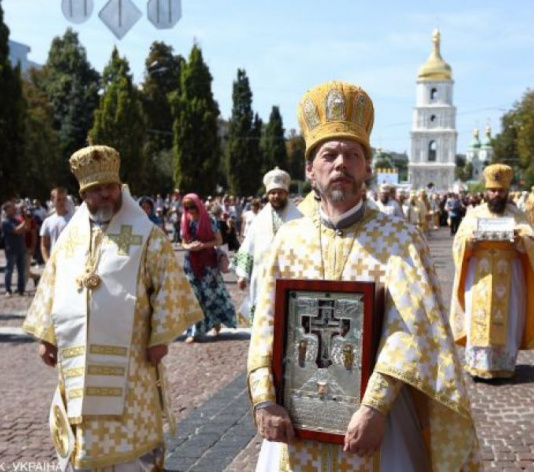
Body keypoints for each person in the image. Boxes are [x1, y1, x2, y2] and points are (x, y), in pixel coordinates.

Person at [248, 81, 481, 471]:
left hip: (378, 423)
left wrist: (374, 406)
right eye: (329, 154)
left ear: (367, 167)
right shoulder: (288, 239)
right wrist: (263, 399)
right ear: (310, 169)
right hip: (296, 420)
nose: (341, 163)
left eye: (352, 155)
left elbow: (409, 329)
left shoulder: (400, 239)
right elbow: (265, 324)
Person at [23, 145, 203, 470]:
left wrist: (160, 337)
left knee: (131, 450)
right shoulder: (68, 238)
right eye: (95, 190)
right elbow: (51, 285)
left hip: (133, 363)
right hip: (76, 364)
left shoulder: (148, 235)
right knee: (83, 444)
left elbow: (168, 286)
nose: (104, 195)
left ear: (119, 187)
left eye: (109, 187)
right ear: (84, 194)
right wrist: (46, 336)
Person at [449, 164, 534, 379]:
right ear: (486, 191)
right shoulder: (474, 214)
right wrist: (469, 241)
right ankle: (478, 364)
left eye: (500, 191)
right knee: (478, 315)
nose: (496, 195)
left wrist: (521, 240)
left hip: (509, 275)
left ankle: (503, 364)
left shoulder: (517, 215)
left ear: (507, 192)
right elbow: (458, 243)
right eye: (493, 190)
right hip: (479, 275)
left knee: (508, 316)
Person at [233, 168, 302, 324]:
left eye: (279, 192)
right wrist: (243, 275)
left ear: (286, 192)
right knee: (262, 320)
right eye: (272, 193)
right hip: (262, 277)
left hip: (289, 277)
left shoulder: (299, 219)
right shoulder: (259, 220)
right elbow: (248, 246)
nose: (276, 196)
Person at [181, 193, 236, 342]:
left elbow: (218, 240)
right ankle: (193, 332)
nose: (190, 210)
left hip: (208, 264)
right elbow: (183, 242)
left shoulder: (209, 220)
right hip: (191, 263)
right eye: (187, 207)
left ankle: (216, 322)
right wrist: (189, 246)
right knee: (193, 296)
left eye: (193, 207)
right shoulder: (185, 220)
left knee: (211, 295)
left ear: (199, 205)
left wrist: (203, 246)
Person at [0, 200, 29, 296]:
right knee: (9, 269)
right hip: (11, 248)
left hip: (21, 247)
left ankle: (21, 289)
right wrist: (24, 222)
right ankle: (8, 289)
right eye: (12, 208)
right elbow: (16, 231)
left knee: (21, 270)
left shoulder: (16, 220)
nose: (14, 209)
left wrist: (27, 220)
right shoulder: (5, 222)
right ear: (7, 210)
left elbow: (25, 230)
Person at [40, 187, 74, 263]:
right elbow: (44, 245)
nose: (62, 202)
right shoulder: (47, 221)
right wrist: (47, 262)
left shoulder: (74, 219)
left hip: (71, 262)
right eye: (59, 199)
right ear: (52, 200)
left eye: (64, 199)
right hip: (55, 262)